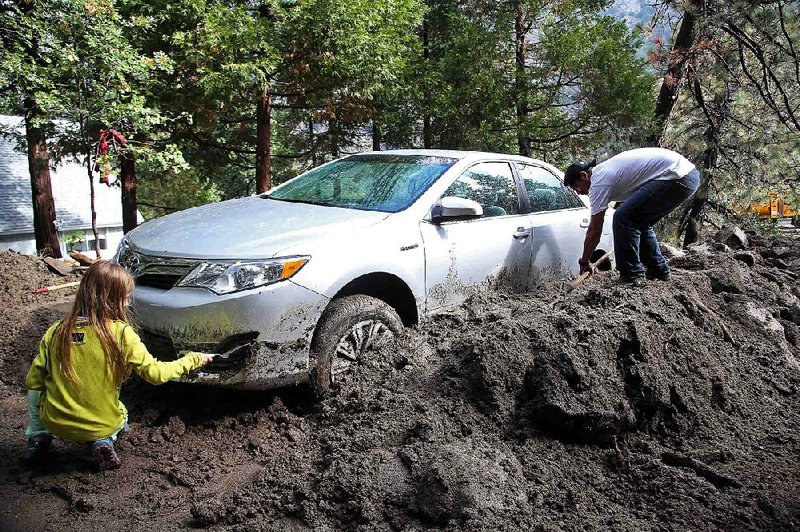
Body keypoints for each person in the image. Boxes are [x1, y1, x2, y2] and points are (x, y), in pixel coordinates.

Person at [24, 261, 215, 471]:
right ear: (110, 299)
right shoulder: (121, 334)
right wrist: (193, 359)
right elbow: (156, 374)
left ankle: (37, 436)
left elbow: (33, 381)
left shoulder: (56, 331)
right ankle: (103, 441)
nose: (126, 303)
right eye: (124, 297)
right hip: (101, 424)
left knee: (37, 388)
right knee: (122, 411)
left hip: (55, 422)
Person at [564, 147, 700, 285]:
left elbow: (594, 231)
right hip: (685, 175)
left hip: (677, 176)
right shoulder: (603, 173)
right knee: (638, 220)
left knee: (622, 217)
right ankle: (658, 270)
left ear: (583, 176)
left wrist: (584, 261)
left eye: (576, 187)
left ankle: (631, 274)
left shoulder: (598, 181)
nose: (578, 192)